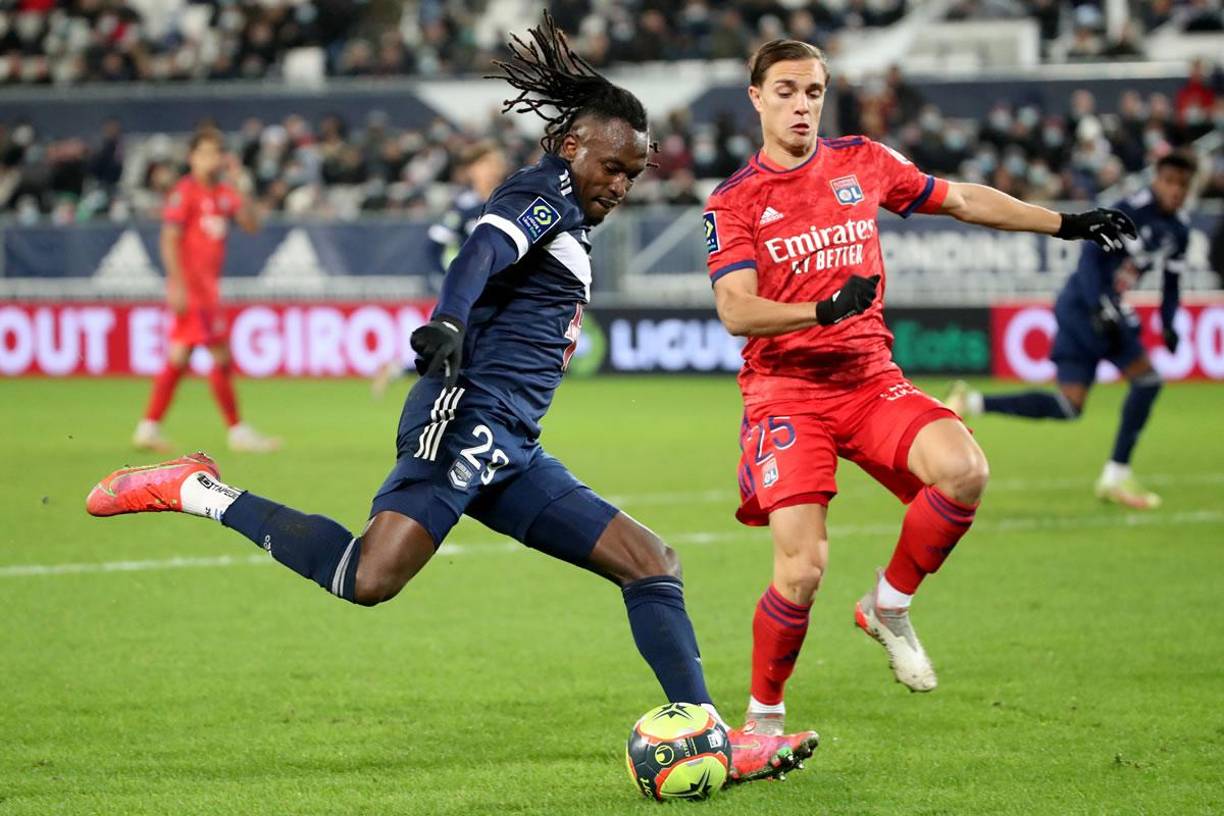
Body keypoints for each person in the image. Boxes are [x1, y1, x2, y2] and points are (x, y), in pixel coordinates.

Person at [89, 16, 817, 784]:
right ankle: (198, 489)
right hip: (464, 416)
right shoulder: (544, 194)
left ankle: (714, 736)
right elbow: (483, 249)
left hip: (512, 445)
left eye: (633, 175)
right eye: (614, 167)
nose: (621, 185)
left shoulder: (572, 209)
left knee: (650, 562)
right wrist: (446, 321)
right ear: (575, 147)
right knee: (367, 578)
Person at [702, 39, 1136, 735]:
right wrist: (821, 310)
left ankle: (888, 604)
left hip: (870, 381)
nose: (801, 105)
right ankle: (762, 720)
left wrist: (1067, 223)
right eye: (785, 91)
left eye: (813, 92)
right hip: (786, 392)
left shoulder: (863, 162)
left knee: (964, 469)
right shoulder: (734, 201)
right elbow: (735, 309)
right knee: (802, 572)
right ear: (755, 97)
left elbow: (961, 199)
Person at [947, 152, 1197, 509]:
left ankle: (972, 402)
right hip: (1082, 306)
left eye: (1182, 186)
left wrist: (1169, 322)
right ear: (1156, 179)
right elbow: (1091, 257)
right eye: (1170, 182)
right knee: (1108, 392)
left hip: (1111, 309)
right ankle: (1115, 475)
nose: (1175, 191)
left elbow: (1172, 283)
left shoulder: (1180, 231)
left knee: (1105, 395)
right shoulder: (1131, 209)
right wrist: (1097, 306)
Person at [133, 129, 280, 454]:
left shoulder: (224, 193)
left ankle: (148, 426)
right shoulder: (185, 193)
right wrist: (177, 284)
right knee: (219, 356)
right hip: (194, 289)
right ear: (193, 157)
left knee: (180, 356)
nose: (212, 159)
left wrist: (242, 183)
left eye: (217, 153)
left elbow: (252, 224)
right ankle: (237, 431)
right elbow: (169, 239)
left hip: (207, 288)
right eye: (206, 153)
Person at [371, 141, 508, 397]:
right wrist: (452, 280)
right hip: (474, 292)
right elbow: (435, 246)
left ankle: (398, 369)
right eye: (486, 164)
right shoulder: (464, 207)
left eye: (496, 163)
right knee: (466, 348)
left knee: (471, 350)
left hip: (499, 289)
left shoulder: (508, 201)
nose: (493, 169)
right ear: (472, 170)